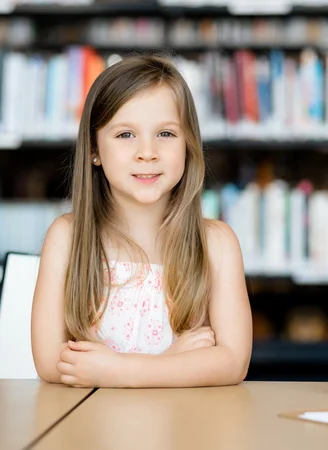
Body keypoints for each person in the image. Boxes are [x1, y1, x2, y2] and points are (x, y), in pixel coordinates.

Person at [31, 55, 252, 388]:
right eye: (125, 135)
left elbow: (233, 362)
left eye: (165, 133)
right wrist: (173, 362)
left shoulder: (217, 244)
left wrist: (118, 370)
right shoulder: (66, 237)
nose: (147, 152)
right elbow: (50, 362)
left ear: (188, 144)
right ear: (94, 148)